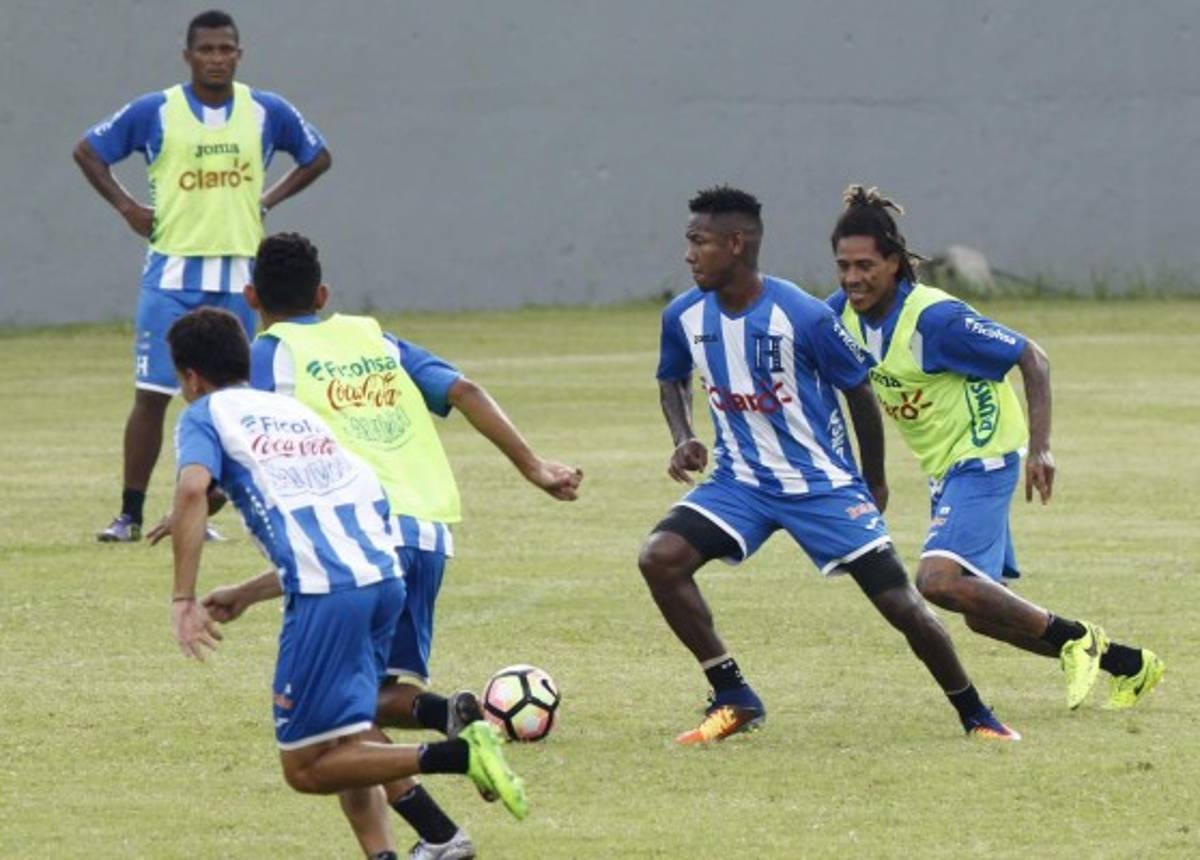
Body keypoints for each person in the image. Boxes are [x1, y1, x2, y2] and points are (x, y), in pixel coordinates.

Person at [241, 232, 582, 856]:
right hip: (427, 532)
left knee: (335, 723)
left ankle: (446, 743)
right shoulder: (374, 339)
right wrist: (534, 467)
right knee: (362, 704)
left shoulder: (272, 351)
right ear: (323, 295)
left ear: (250, 296)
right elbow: (466, 391)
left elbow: (256, 430)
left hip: (356, 535)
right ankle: (440, 819)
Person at [637, 186, 1018, 744]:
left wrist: (874, 480)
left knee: (901, 605)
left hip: (822, 486)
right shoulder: (683, 315)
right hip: (739, 483)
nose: (688, 254)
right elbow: (671, 375)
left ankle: (975, 712)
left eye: (699, 242)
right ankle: (734, 694)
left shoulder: (805, 316)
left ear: (736, 245)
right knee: (660, 558)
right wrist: (684, 435)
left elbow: (859, 391)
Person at [165, 307, 527, 860]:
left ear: (190, 377)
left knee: (307, 766)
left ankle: (455, 754)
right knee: (348, 733)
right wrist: (247, 593)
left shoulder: (206, 414)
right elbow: (339, 521)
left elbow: (193, 491)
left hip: (330, 597)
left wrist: (183, 598)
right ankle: (421, 844)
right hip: (382, 577)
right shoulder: (296, 417)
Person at [827, 184, 1164, 711]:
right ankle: (1130, 664)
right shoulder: (842, 317)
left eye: (865, 265)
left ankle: (1078, 637)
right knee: (984, 616)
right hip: (946, 467)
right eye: (843, 265)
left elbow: (1033, 357)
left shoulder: (934, 319)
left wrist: (1042, 450)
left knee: (937, 581)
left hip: (984, 455)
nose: (852, 278)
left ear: (894, 262)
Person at [74, 9, 331, 543]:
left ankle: (204, 511)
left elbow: (318, 155)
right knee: (152, 393)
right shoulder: (156, 111)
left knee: (232, 400)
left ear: (240, 54)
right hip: (170, 274)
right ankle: (129, 514)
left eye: (226, 49)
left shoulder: (266, 110)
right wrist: (127, 208)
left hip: (240, 275)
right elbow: (88, 150)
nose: (217, 59)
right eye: (207, 50)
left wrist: (267, 199)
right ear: (187, 56)